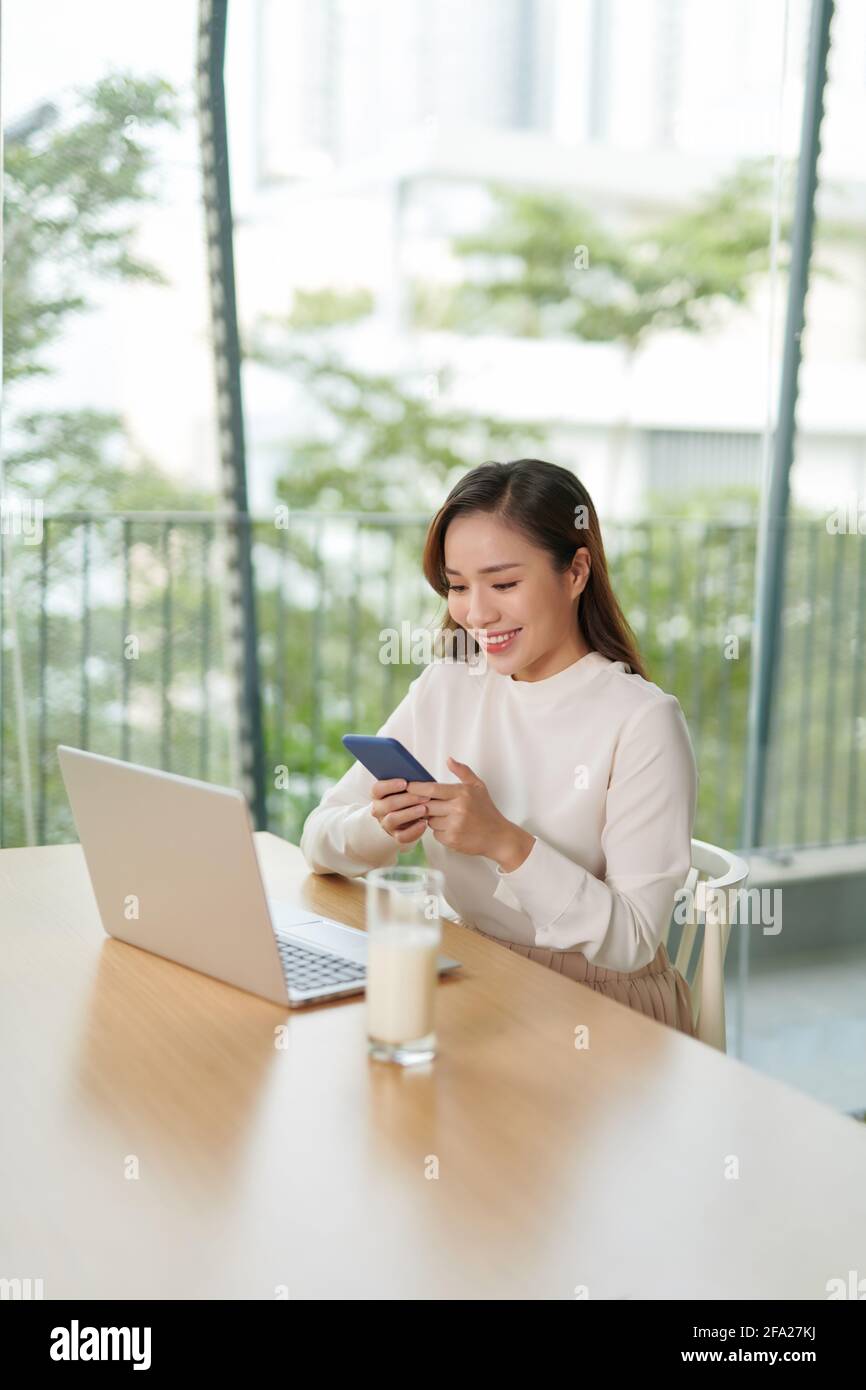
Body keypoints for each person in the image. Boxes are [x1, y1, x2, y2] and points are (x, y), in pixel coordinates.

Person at [300, 458, 699, 1036]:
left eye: (504, 584)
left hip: (599, 1007)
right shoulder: (449, 683)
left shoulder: (642, 721)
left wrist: (506, 844)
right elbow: (319, 838)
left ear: (576, 571)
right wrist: (379, 825)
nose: (477, 614)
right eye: (458, 586)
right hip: (477, 971)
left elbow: (633, 941)